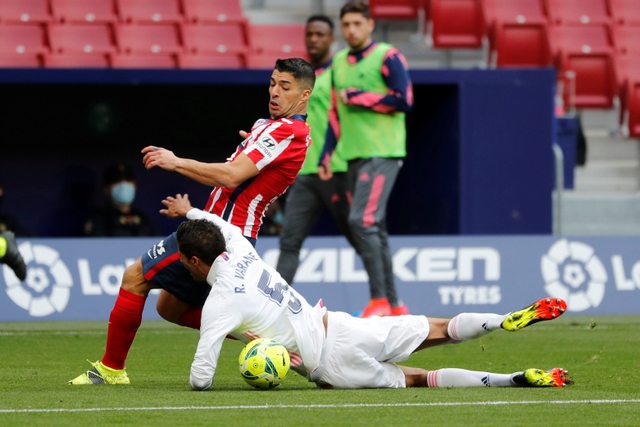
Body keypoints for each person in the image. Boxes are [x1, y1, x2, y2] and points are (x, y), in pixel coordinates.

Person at [68, 58, 316, 385]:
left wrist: (175, 162)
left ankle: (111, 370)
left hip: (222, 236)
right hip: (227, 234)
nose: (274, 92)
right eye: (272, 83)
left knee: (135, 277)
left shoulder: (287, 131)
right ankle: (271, 344)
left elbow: (230, 177)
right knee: (169, 307)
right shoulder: (272, 127)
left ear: (304, 96)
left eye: (285, 87)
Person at [166, 196, 569, 391]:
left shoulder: (219, 302)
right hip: (340, 328)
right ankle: (501, 320)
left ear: (196, 262)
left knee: (420, 380)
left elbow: (201, 379)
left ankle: (511, 380)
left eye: (185, 263)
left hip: (328, 367)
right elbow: (217, 222)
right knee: (440, 328)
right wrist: (190, 212)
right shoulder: (239, 246)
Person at [318, 2, 414, 318]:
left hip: (383, 152)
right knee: (376, 227)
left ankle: (380, 301)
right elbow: (334, 112)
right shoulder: (339, 63)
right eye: (346, 25)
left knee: (362, 220)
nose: (351, 30)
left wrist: (360, 96)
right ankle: (396, 304)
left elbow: (404, 100)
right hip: (355, 154)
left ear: (370, 25)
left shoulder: (387, 56)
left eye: (357, 24)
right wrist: (327, 154)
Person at [276, 15, 361, 285]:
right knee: (289, 240)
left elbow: (348, 119)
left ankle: (386, 301)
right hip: (303, 174)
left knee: (362, 239)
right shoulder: (299, 78)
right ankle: (274, 305)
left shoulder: (339, 73)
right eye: (309, 34)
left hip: (336, 171)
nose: (313, 39)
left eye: (320, 34)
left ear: (331, 39)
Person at [84, 163, 161, 237]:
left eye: (128, 180)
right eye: (117, 181)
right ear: (106, 189)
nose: (123, 185)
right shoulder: (98, 219)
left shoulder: (145, 220)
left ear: (134, 185)